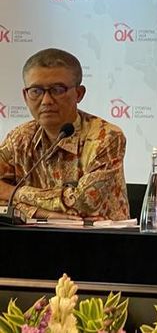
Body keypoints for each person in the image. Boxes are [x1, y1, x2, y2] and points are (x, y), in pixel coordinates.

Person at [0, 48, 128, 221]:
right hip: (31, 236)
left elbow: (84, 202)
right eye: (36, 91)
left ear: (79, 94)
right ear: (25, 95)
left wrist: (13, 193)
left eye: (57, 90)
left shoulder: (106, 137)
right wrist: (42, 214)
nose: (46, 101)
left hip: (96, 237)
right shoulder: (19, 138)